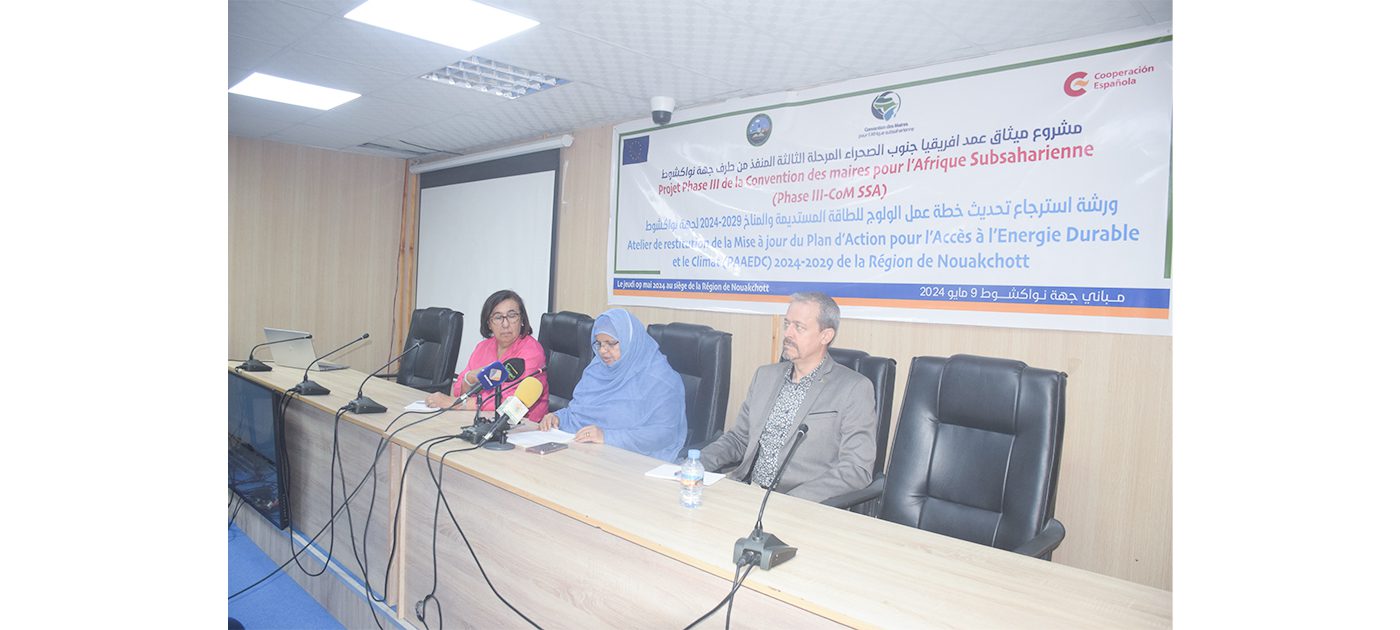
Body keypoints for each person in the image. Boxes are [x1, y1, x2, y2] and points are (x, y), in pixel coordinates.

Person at [699, 292, 876, 503]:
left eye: (799, 327)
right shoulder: (764, 376)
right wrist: (696, 464)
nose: (788, 334)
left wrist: (791, 501)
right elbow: (739, 439)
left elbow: (856, 469)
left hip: (800, 504)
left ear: (825, 336)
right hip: (746, 493)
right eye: (787, 324)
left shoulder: (853, 388)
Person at [535, 308, 686, 462]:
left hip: (637, 462)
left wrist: (607, 437)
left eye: (611, 343)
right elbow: (579, 412)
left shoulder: (661, 379)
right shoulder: (597, 369)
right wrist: (557, 418)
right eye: (599, 343)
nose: (603, 351)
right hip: (588, 454)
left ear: (630, 341)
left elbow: (664, 433)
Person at [425, 290, 549, 422]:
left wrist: (456, 404)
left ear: (522, 319)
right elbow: (459, 391)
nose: (505, 324)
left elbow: (509, 403)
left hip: (526, 425)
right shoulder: (483, 347)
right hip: (482, 419)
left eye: (512, 316)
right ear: (489, 324)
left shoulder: (532, 352)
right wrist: (470, 378)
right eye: (498, 317)